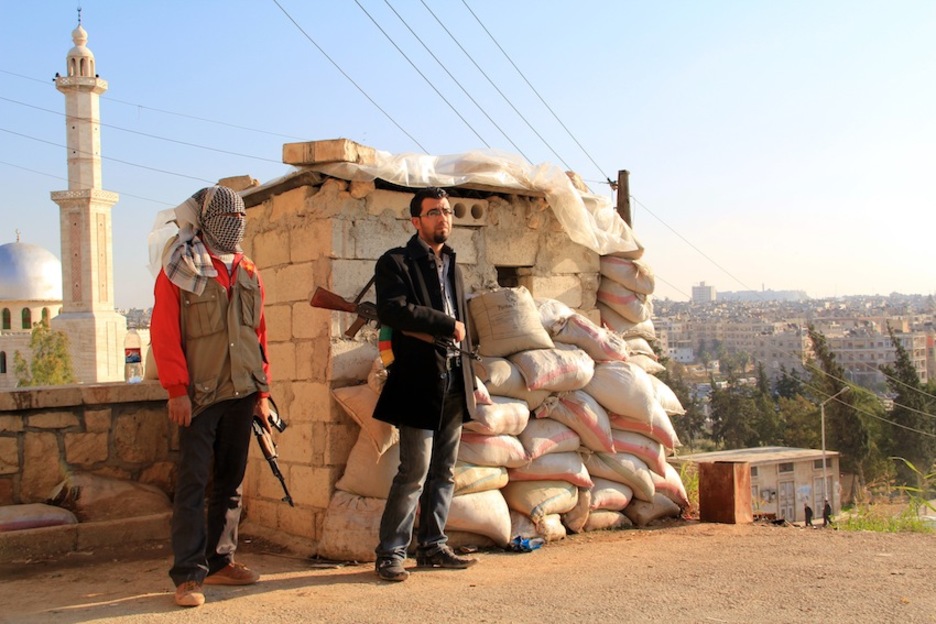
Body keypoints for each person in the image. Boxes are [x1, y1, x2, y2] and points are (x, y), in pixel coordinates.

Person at [151, 186, 272, 608]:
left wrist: (262, 390)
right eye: (227, 217)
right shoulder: (179, 267)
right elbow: (164, 334)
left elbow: (257, 334)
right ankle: (187, 575)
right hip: (199, 396)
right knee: (192, 485)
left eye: (241, 216)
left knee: (231, 482)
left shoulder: (248, 269)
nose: (235, 224)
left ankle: (221, 561)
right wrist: (176, 390)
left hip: (242, 391)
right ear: (206, 221)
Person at [372, 186, 478, 582]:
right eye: (434, 212)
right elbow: (394, 311)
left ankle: (433, 545)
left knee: (445, 470)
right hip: (418, 378)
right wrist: (446, 325)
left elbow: (464, 318)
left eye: (447, 211)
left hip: (454, 376)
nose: (443, 218)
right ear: (415, 221)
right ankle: (391, 553)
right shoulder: (396, 262)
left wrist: (471, 372)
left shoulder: (453, 263)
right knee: (414, 470)